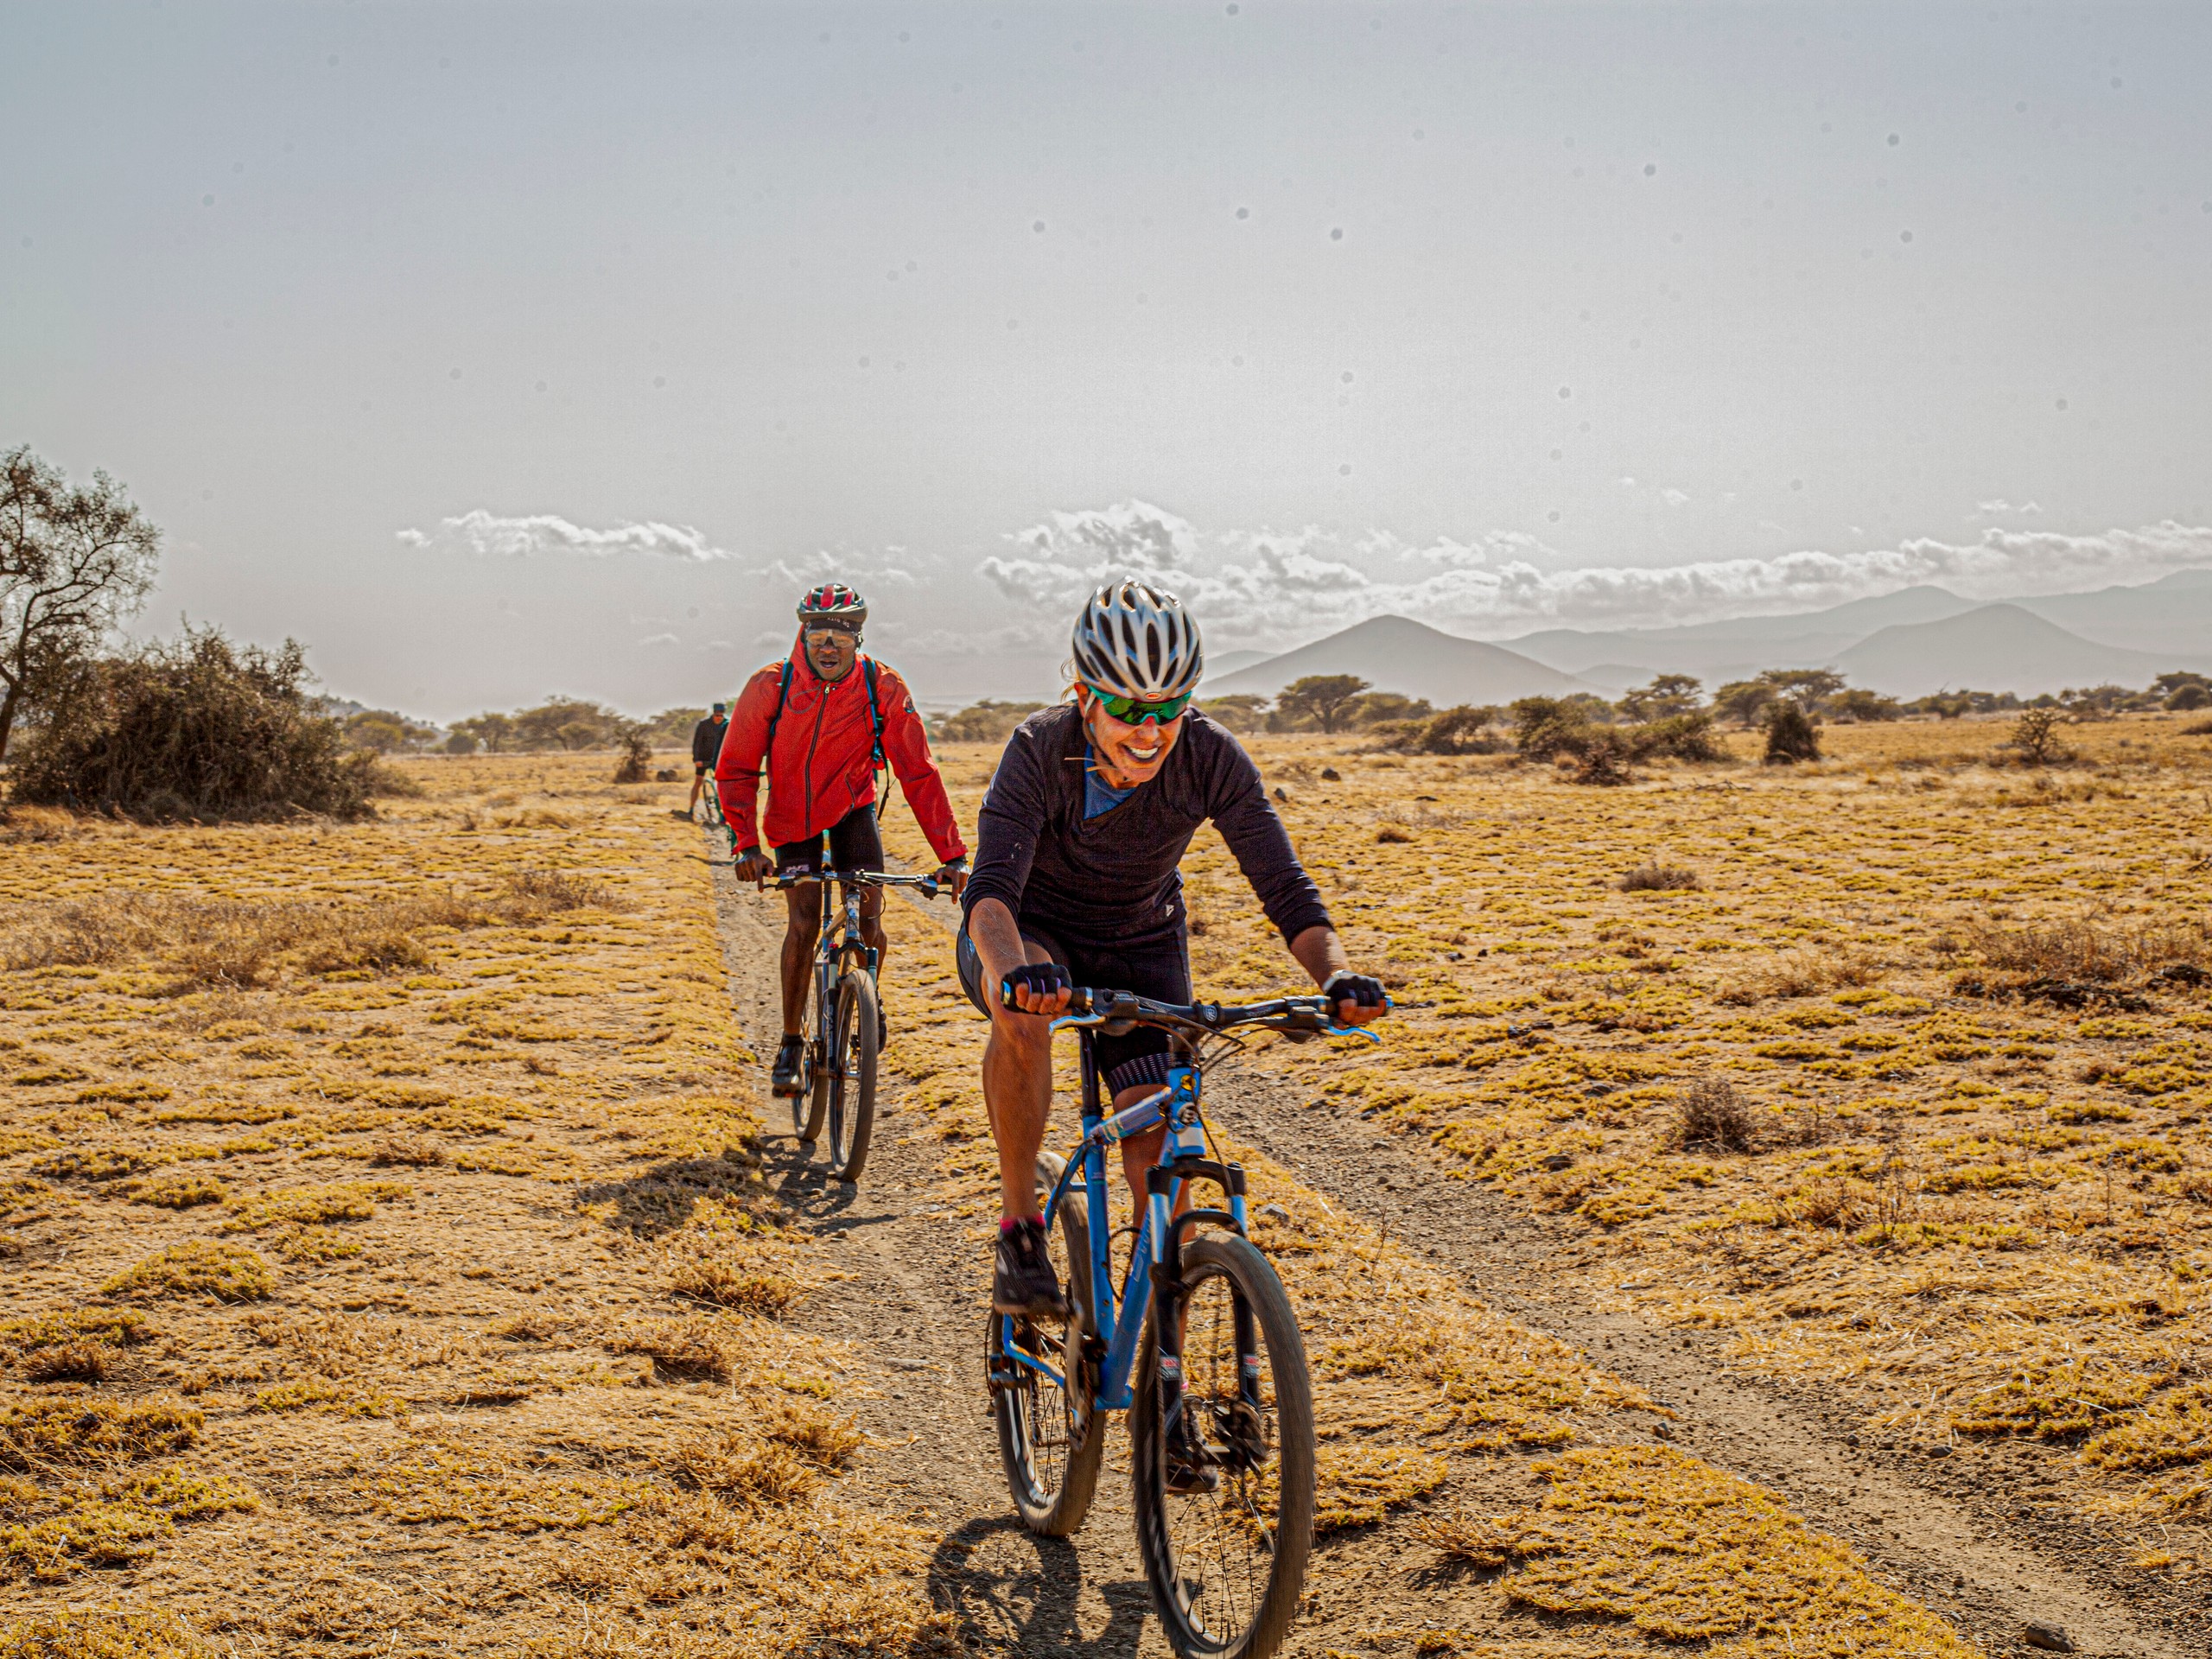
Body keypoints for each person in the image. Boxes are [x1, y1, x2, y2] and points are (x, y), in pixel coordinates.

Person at [957, 581, 1389, 1337]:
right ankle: (1020, 1228)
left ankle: (1165, 1383)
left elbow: (1283, 883)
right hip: (1030, 935)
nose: (1151, 731)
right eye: (1128, 709)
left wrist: (1335, 975)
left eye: (1169, 708)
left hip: (1139, 941)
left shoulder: (1209, 755)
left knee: (1160, 1160)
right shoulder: (1038, 750)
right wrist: (1012, 973)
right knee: (1018, 1015)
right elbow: (991, 892)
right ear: (1086, 696)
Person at [716, 583, 969, 1095]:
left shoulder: (882, 686)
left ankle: (867, 1000)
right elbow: (737, 769)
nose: (827, 647)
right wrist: (746, 845)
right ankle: (790, 1042)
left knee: (870, 915)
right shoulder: (771, 686)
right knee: (805, 922)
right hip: (791, 819)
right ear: (802, 636)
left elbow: (918, 772)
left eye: (839, 636)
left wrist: (953, 855)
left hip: (854, 811)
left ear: (857, 639)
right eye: (818, 636)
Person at [683, 702, 729, 821]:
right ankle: (691, 809)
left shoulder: (727, 724)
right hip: (703, 758)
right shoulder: (704, 725)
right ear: (713, 714)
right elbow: (697, 743)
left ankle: (723, 813)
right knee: (698, 781)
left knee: (722, 784)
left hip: (719, 758)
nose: (719, 718)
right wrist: (697, 759)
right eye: (717, 715)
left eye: (721, 715)